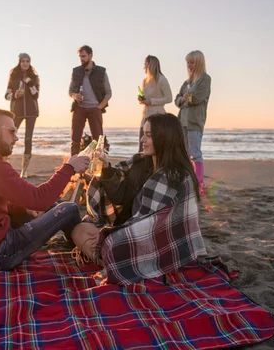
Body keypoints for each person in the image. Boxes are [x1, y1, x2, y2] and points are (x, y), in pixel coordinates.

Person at [0, 108, 90, 270]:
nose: (16, 138)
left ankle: (78, 240)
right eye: (12, 132)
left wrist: (24, 208)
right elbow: (39, 199)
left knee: (51, 207)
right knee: (69, 208)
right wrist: (69, 167)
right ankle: (86, 246)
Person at [71, 113, 207, 285]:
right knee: (80, 230)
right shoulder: (140, 164)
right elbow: (121, 196)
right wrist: (106, 169)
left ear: (164, 138)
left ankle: (121, 261)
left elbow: (162, 224)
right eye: (143, 133)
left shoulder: (177, 176)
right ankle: (119, 261)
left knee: (112, 244)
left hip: (158, 242)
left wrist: (111, 235)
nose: (142, 139)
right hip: (131, 233)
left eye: (148, 135)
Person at [174, 50, 211, 195]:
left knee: (195, 153)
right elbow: (178, 99)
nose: (189, 65)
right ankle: (188, 182)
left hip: (195, 122)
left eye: (192, 62)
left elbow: (196, 98)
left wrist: (185, 99)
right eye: (188, 62)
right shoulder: (187, 82)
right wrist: (183, 99)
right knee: (184, 154)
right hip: (182, 121)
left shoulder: (205, 79)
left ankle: (199, 184)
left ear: (199, 63)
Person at [68, 45, 112, 156]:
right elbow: (70, 91)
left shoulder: (101, 72)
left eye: (84, 56)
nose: (81, 59)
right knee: (75, 140)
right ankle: (73, 168)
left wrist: (99, 107)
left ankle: (98, 169)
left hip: (95, 109)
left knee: (98, 141)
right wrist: (75, 96)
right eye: (80, 56)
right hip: (79, 108)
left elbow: (108, 93)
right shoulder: (76, 71)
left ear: (90, 55)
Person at [4, 53, 40, 178]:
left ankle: (24, 170)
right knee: (10, 136)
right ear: (19, 62)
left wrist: (30, 83)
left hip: (31, 112)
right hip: (16, 112)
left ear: (30, 63)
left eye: (27, 61)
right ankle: (3, 162)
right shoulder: (13, 76)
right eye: (23, 61)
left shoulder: (34, 77)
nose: (25, 63)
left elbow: (36, 95)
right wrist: (15, 95)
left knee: (28, 139)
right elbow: (6, 95)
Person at [137, 55, 172, 151]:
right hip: (145, 116)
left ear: (151, 65)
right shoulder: (144, 81)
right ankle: (143, 166)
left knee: (157, 148)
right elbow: (145, 96)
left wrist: (152, 101)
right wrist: (141, 98)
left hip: (158, 117)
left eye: (145, 64)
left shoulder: (161, 79)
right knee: (142, 148)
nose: (144, 67)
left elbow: (169, 98)